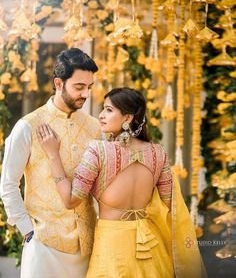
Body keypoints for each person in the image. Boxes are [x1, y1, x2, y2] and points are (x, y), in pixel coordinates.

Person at [37, 87, 207, 278]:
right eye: (103, 109)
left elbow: (70, 200)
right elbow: (169, 207)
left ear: (127, 118)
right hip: (153, 249)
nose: (101, 115)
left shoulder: (99, 151)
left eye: (109, 110)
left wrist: (53, 155)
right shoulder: (158, 153)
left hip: (112, 252)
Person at [0, 48, 102, 278]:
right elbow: (8, 185)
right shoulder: (28, 126)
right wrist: (27, 231)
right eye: (78, 87)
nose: (85, 94)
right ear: (58, 83)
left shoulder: (95, 128)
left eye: (89, 87)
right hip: (43, 247)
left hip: (87, 247)